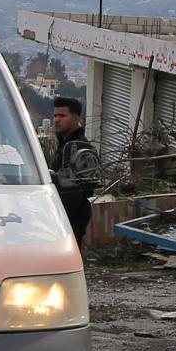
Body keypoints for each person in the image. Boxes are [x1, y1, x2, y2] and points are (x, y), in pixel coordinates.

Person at [51, 97, 99, 247]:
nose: (57, 120)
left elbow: (77, 190)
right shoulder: (65, 143)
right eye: (55, 116)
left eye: (62, 116)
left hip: (71, 214)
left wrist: (60, 217)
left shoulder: (78, 147)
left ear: (76, 118)